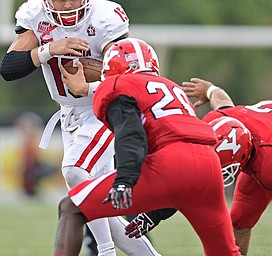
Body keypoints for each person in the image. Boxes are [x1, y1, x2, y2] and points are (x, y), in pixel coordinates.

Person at [52, 38, 241, 256]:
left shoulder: (117, 85)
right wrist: (153, 215)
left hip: (168, 161)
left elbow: (130, 132)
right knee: (225, 252)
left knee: (72, 209)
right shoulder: (172, 88)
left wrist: (124, 180)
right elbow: (183, 183)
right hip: (208, 165)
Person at [0, 1, 160, 255]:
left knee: (75, 170)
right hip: (68, 113)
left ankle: (105, 252)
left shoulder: (104, 17)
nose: (65, 5)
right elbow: (8, 68)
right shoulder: (35, 14)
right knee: (107, 210)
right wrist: (49, 49)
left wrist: (88, 87)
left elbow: (127, 79)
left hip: (104, 106)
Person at [125, 77, 272, 255]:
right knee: (238, 222)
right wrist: (209, 89)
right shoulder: (215, 121)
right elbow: (221, 101)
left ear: (241, 158)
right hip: (266, 142)